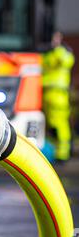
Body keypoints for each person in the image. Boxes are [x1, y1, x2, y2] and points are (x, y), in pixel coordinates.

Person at [43, 32, 75, 162]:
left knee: (60, 125)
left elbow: (66, 61)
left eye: (57, 38)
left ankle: (63, 154)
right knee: (50, 127)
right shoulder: (48, 54)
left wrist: (58, 48)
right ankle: (55, 152)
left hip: (58, 96)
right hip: (47, 95)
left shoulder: (62, 53)